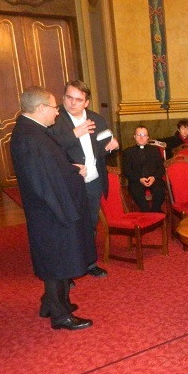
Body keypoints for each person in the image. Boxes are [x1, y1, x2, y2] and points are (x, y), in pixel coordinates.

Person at [11, 86, 96, 330]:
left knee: (55, 260)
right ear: (40, 109)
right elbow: (45, 183)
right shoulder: (30, 137)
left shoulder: (33, 131)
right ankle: (60, 316)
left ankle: (51, 303)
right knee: (58, 262)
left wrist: (71, 169)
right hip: (52, 212)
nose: (57, 112)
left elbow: (51, 169)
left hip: (50, 210)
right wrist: (75, 178)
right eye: (53, 107)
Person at [48, 79, 119, 278]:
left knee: (90, 224)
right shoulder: (54, 118)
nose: (72, 103)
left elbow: (102, 147)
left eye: (78, 100)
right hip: (68, 184)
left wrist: (111, 146)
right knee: (68, 226)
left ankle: (89, 263)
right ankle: (67, 272)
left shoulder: (97, 119)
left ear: (86, 102)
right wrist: (74, 134)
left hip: (93, 182)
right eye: (69, 97)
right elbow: (49, 149)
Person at [122, 126, 166, 213]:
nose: (141, 137)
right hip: (137, 180)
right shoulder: (128, 152)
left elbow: (161, 168)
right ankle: (146, 212)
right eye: (139, 135)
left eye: (144, 135)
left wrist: (154, 177)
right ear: (134, 137)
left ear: (147, 137)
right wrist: (139, 179)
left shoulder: (155, 150)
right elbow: (127, 171)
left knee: (160, 189)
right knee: (136, 191)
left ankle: (155, 210)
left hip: (154, 179)